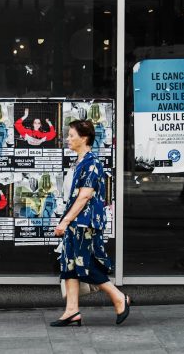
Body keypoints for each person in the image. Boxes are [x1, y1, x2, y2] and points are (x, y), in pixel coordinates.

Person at [51, 120, 131, 327]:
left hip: (84, 223)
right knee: (68, 265)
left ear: (84, 138)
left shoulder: (92, 163)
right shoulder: (79, 162)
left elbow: (84, 196)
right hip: (74, 223)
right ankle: (71, 311)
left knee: (85, 265)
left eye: (71, 135)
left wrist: (65, 221)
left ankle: (118, 297)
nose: (67, 139)